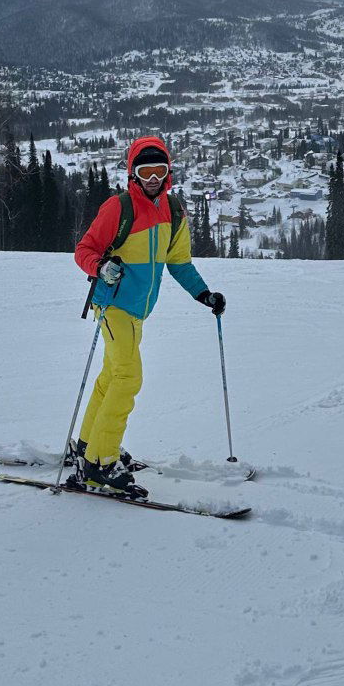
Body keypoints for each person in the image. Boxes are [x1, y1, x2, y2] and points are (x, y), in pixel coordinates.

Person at [72, 135, 226, 496]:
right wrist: (100, 266)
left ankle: (88, 446)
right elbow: (84, 250)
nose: (153, 178)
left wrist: (203, 294)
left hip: (139, 311)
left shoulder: (174, 211)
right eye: (146, 171)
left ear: (168, 172)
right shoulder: (118, 207)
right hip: (113, 305)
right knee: (128, 377)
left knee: (112, 377)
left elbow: (179, 262)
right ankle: (100, 463)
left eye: (160, 170)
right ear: (133, 173)